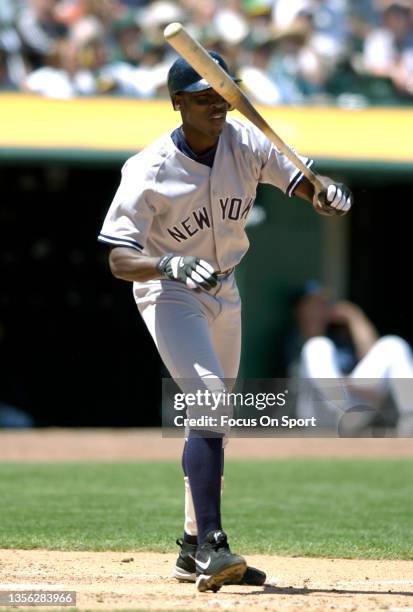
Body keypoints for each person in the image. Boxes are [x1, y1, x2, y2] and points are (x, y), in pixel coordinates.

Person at [97, 52, 352, 592]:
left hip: (225, 289)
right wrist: (166, 261)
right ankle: (214, 544)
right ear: (178, 103)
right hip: (168, 291)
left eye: (223, 95)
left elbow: (302, 183)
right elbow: (119, 258)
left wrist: (322, 193)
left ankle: (192, 547)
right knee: (209, 399)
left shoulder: (247, 141)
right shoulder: (148, 169)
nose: (217, 105)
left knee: (214, 418)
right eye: (203, 97)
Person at [285, 280, 413, 435]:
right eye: (312, 304)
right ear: (299, 309)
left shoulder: (339, 336)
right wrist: (350, 385)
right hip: (317, 412)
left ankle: (410, 417)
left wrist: (355, 317)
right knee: (317, 345)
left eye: (323, 304)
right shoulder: (292, 338)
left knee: (393, 344)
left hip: (353, 406)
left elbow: (372, 353)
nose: (319, 309)